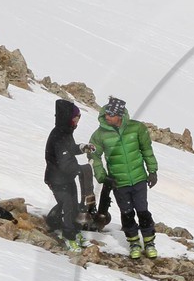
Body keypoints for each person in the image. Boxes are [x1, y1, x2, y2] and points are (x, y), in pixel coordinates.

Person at [89, 96, 160, 258]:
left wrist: (152, 171)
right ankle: (134, 243)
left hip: (139, 178)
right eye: (106, 113)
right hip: (118, 182)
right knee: (127, 213)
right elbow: (94, 156)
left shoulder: (137, 128)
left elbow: (147, 150)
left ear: (119, 115)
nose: (107, 117)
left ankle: (149, 243)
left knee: (143, 211)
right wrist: (102, 177)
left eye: (111, 114)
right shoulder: (99, 135)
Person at [44, 98, 85, 251]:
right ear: (68, 117)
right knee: (68, 205)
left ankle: (72, 229)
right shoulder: (59, 135)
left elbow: (70, 149)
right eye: (76, 117)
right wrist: (80, 169)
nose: (77, 121)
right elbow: (64, 162)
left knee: (74, 205)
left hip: (67, 178)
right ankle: (68, 236)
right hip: (57, 179)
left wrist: (81, 148)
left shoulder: (66, 132)